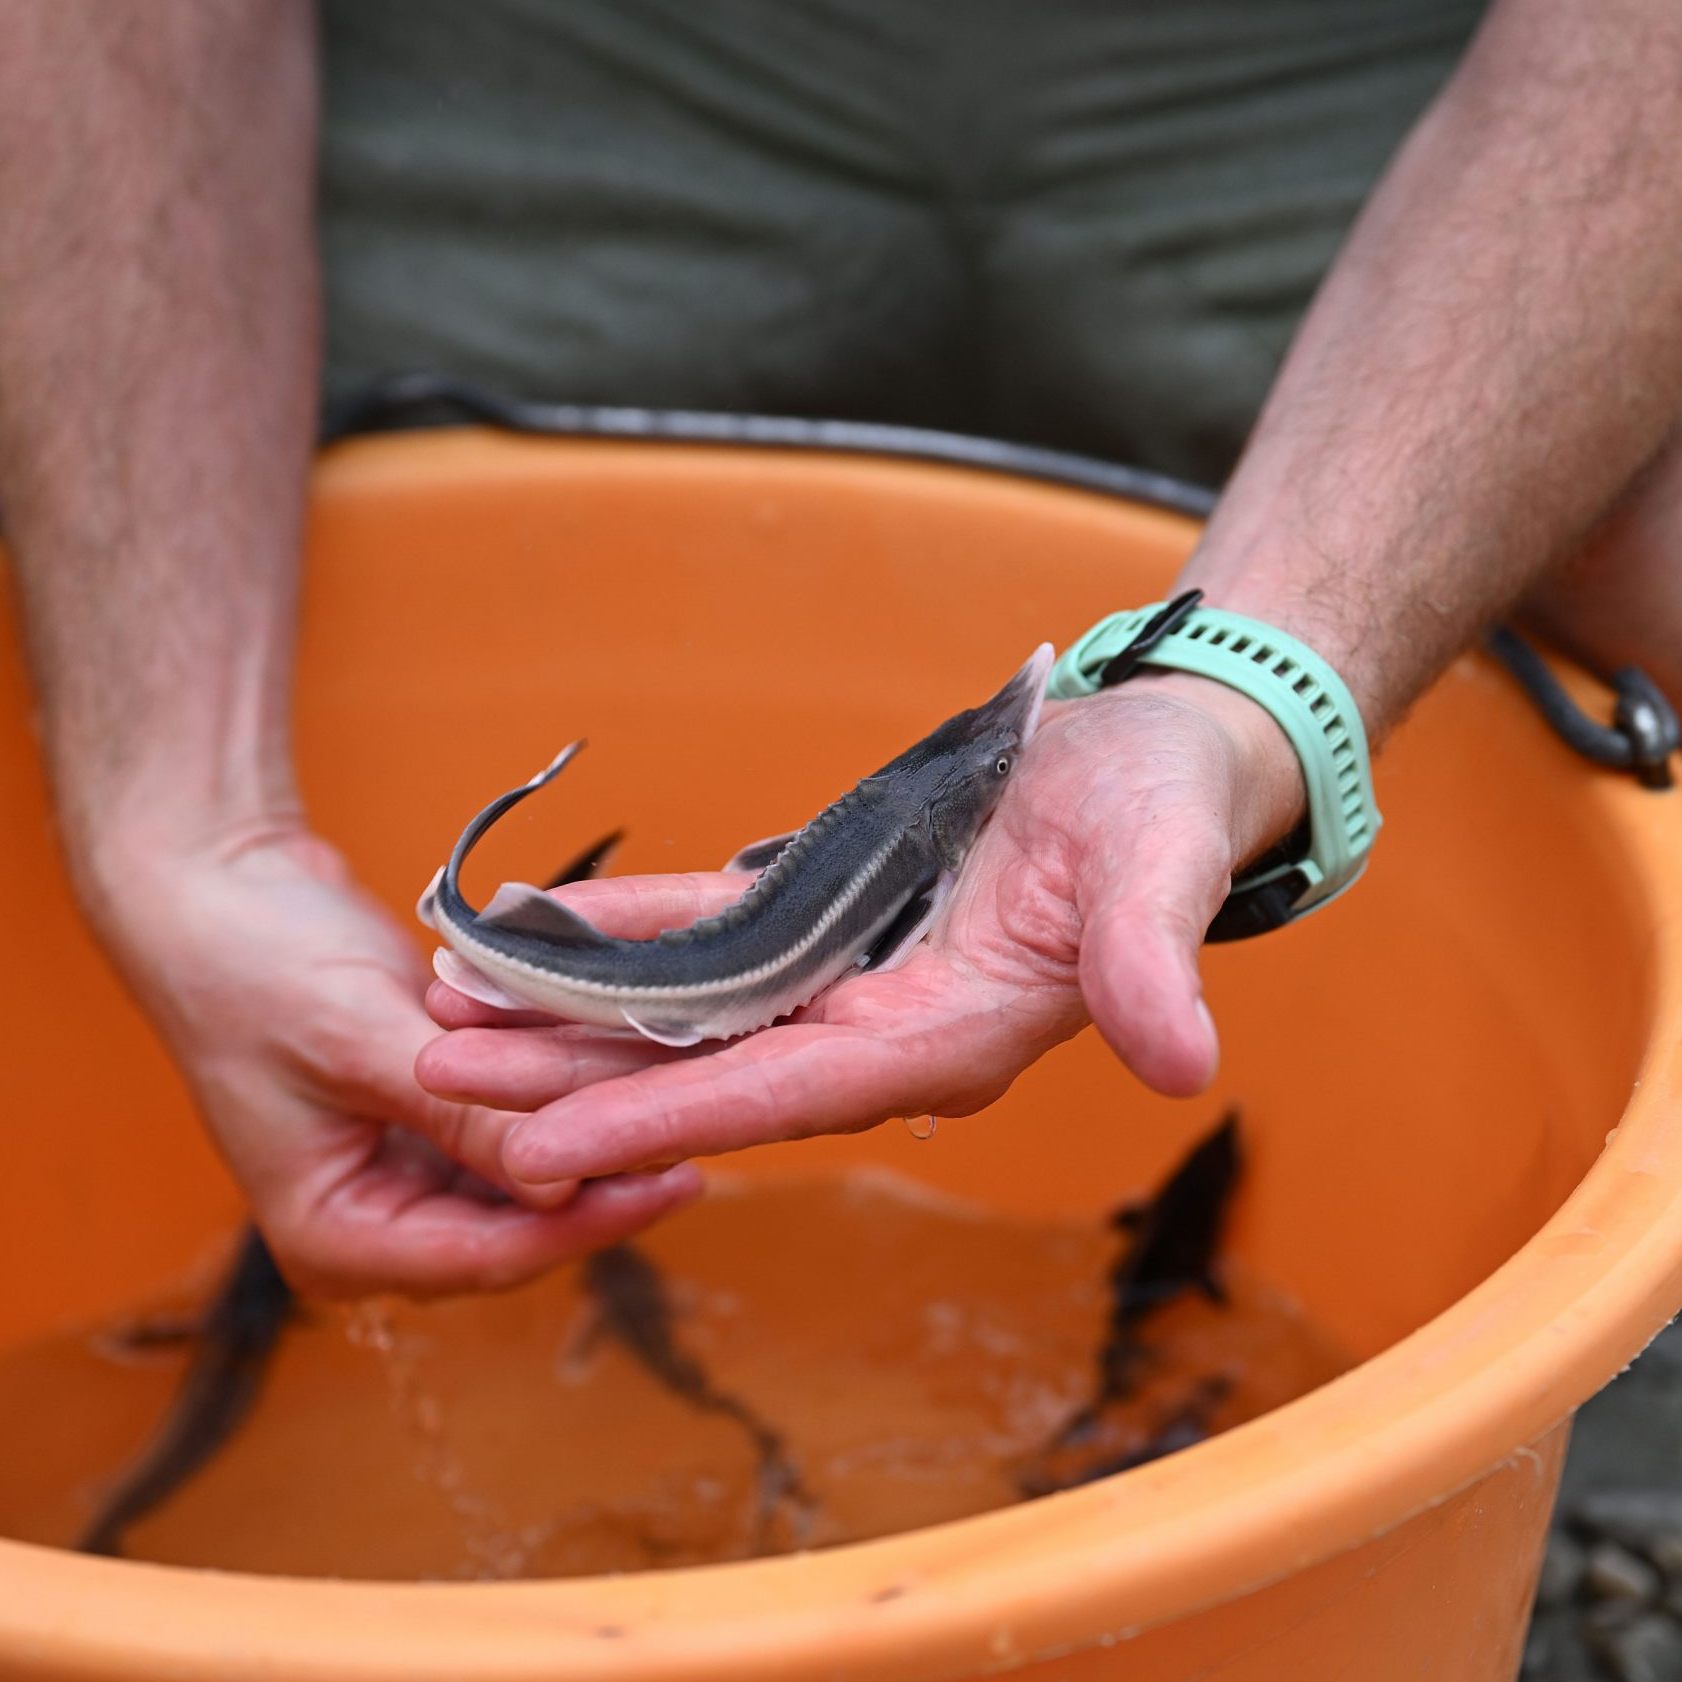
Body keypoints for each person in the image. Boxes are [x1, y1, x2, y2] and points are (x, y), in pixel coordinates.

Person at [1, 1, 1677, 1299]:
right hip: (567, 55)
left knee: (1634, 545)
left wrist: (1252, 684)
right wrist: (181, 823)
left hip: (1358, 62)